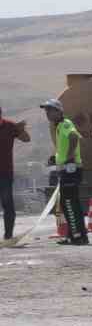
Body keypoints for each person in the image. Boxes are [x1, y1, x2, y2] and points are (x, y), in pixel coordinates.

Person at [39, 100, 85, 245]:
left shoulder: (65, 124)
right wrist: (56, 157)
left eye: (50, 110)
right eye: (46, 111)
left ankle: (78, 236)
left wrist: (69, 157)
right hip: (66, 169)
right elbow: (64, 145)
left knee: (70, 203)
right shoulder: (58, 126)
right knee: (68, 203)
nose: (47, 113)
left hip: (70, 170)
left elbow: (74, 137)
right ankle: (75, 235)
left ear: (59, 111)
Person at [0, 103, 30, 241]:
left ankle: (8, 235)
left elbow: (26, 139)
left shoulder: (9, 126)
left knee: (7, 203)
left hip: (5, 172)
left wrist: (21, 130)